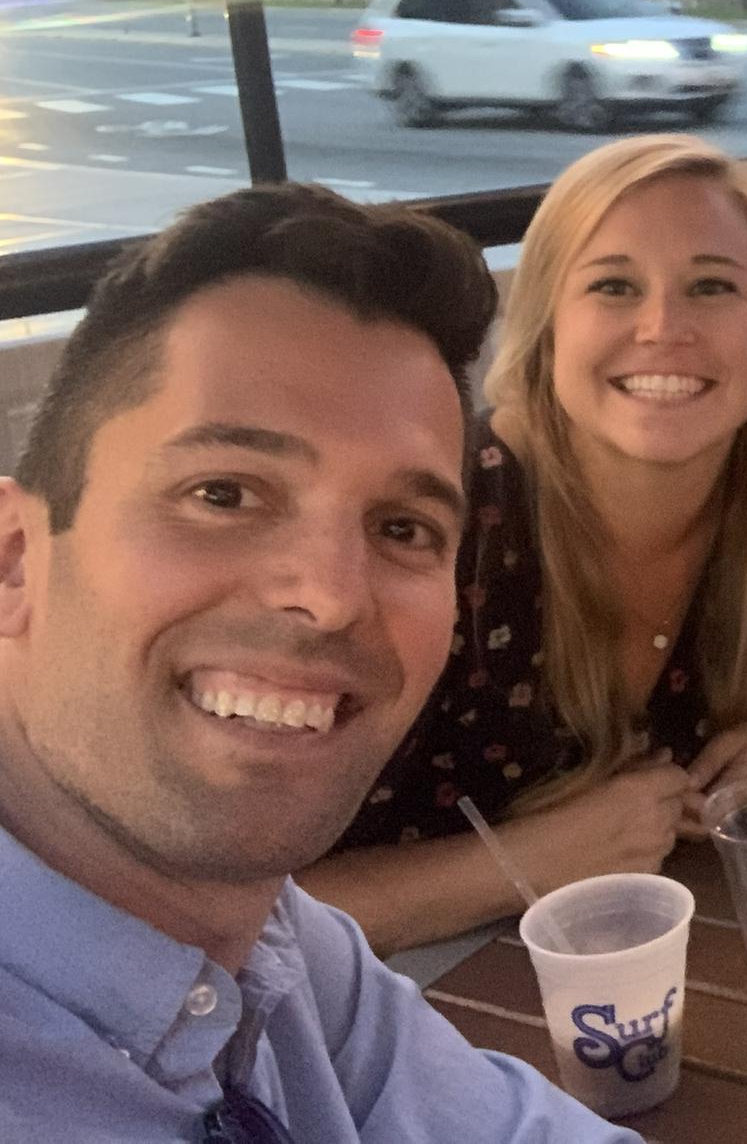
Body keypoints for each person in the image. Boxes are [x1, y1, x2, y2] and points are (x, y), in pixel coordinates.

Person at [0, 184, 639, 1139]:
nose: (332, 594)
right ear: (16, 559)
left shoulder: (270, 944)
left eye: (402, 527)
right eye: (224, 493)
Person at [306, 136, 747, 954]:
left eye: (712, 286)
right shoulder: (434, 529)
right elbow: (229, 905)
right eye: (614, 286)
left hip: (680, 958)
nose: (663, 328)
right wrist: (526, 863)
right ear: (546, 331)